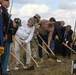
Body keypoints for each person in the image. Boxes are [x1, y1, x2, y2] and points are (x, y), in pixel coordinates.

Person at [0, 0, 18, 75]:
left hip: (6, 36)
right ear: (2, 1)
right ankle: (3, 72)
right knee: (5, 55)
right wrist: (4, 35)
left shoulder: (5, 11)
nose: (9, 2)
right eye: (7, 1)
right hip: (5, 37)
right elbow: (2, 24)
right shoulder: (2, 11)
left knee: (4, 56)